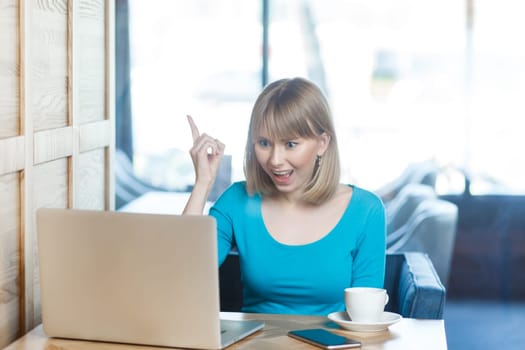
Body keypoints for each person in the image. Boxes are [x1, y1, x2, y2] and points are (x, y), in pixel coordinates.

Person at [183, 77, 386, 316]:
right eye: (264, 143)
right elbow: (184, 275)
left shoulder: (365, 210)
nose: (275, 160)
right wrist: (203, 184)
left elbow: (366, 319)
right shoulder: (237, 200)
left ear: (322, 143)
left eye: (290, 144)